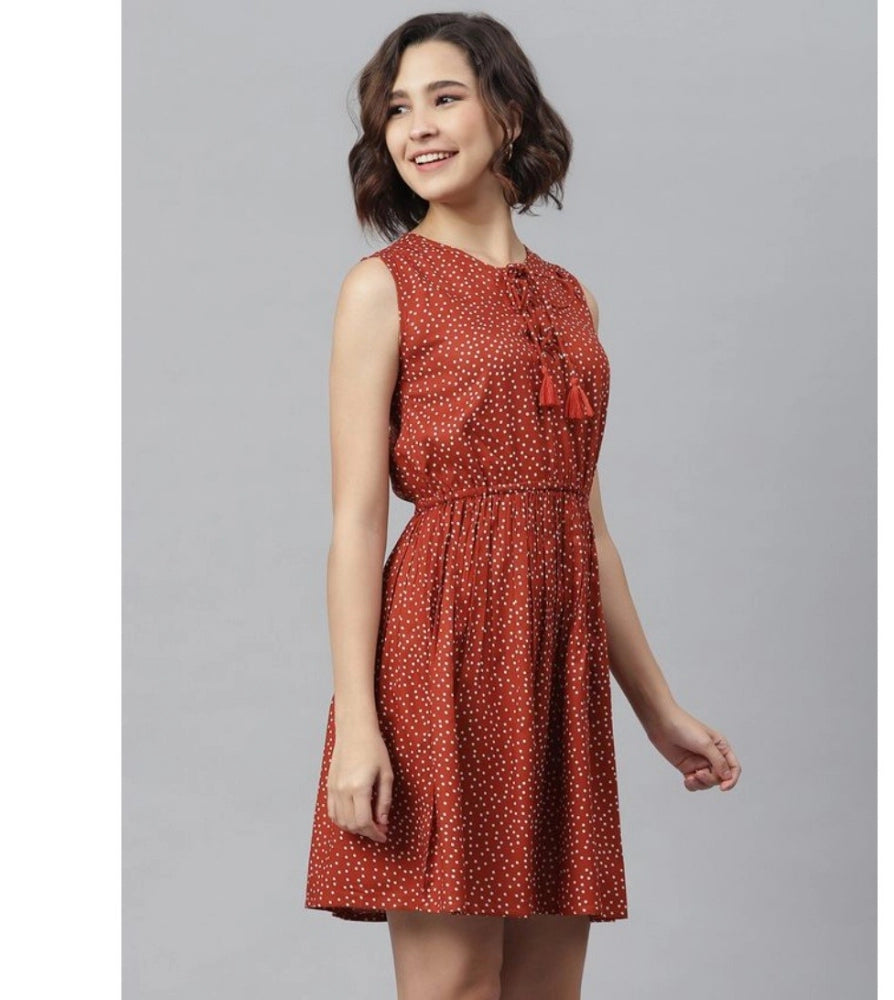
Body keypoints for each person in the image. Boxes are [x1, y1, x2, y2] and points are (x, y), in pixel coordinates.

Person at [304, 12, 742, 999]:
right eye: (396, 110)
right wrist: (360, 724)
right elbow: (356, 527)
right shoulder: (382, 288)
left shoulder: (572, 299)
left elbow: (587, 526)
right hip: (441, 655)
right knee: (455, 984)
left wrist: (658, 709)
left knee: (548, 986)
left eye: (444, 98)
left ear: (507, 113)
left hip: (556, 667)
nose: (417, 126)